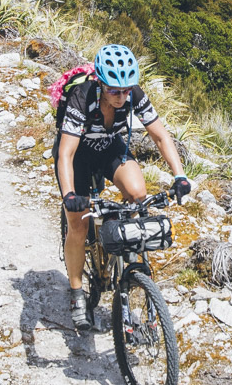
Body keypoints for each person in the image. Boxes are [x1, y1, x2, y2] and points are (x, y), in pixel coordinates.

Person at [55, 44, 192, 330]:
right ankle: (77, 291)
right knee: (78, 225)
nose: (122, 97)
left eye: (127, 90)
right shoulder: (82, 97)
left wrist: (180, 176)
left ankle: (127, 263)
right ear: (101, 83)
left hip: (108, 147)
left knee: (138, 195)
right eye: (114, 91)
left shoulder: (134, 96)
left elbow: (160, 137)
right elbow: (65, 154)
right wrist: (69, 195)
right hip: (78, 154)